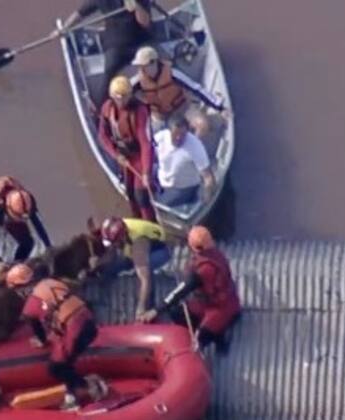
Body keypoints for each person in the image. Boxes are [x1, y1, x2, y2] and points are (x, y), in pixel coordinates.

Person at [10, 272, 108, 410]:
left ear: (21, 288)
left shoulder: (31, 303)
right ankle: (72, 395)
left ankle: (89, 386)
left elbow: (35, 324)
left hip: (74, 330)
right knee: (67, 362)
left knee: (56, 368)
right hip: (89, 323)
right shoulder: (51, 283)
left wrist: (42, 341)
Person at [139, 226, 241, 354]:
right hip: (209, 304)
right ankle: (200, 331)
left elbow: (180, 291)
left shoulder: (203, 269)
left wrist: (156, 310)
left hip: (221, 309)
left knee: (198, 342)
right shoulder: (216, 255)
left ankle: (219, 336)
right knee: (177, 312)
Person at [59, 0, 153, 107]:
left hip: (141, 40)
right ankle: (101, 107)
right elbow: (81, 13)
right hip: (116, 43)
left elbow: (145, 23)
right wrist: (64, 29)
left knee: (157, 62)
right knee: (109, 70)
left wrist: (137, 5)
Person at [129, 45, 225, 133]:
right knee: (144, 135)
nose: (142, 69)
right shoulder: (138, 81)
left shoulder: (173, 73)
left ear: (154, 62)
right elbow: (122, 94)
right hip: (159, 117)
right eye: (139, 67)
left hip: (182, 108)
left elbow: (195, 88)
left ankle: (195, 144)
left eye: (144, 66)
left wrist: (219, 107)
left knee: (202, 125)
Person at [98, 75, 155, 220]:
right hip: (123, 157)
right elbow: (103, 136)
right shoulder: (107, 109)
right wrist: (116, 155)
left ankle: (151, 227)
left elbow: (145, 143)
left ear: (130, 95)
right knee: (129, 192)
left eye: (125, 97)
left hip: (139, 156)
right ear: (112, 97)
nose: (121, 101)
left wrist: (146, 172)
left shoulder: (139, 111)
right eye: (118, 98)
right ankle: (137, 220)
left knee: (141, 195)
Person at [0, 176, 52, 277]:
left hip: (8, 213)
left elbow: (37, 223)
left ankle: (17, 265)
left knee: (27, 242)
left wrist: (49, 247)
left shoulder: (27, 200)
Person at [97, 216, 171, 317]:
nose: (114, 245)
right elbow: (111, 252)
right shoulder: (122, 227)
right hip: (136, 247)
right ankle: (102, 295)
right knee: (113, 267)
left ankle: (149, 307)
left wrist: (140, 307)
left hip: (161, 250)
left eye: (115, 242)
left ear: (122, 237)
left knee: (145, 273)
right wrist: (97, 265)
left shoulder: (138, 241)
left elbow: (145, 279)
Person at [153, 115, 215, 207]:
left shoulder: (195, 146)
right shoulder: (160, 137)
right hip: (162, 178)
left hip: (182, 188)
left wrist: (207, 196)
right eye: (175, 134)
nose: (178, 138)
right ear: (169, 131)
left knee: (159, 206)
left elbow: (208, 177)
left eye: (182, 135)